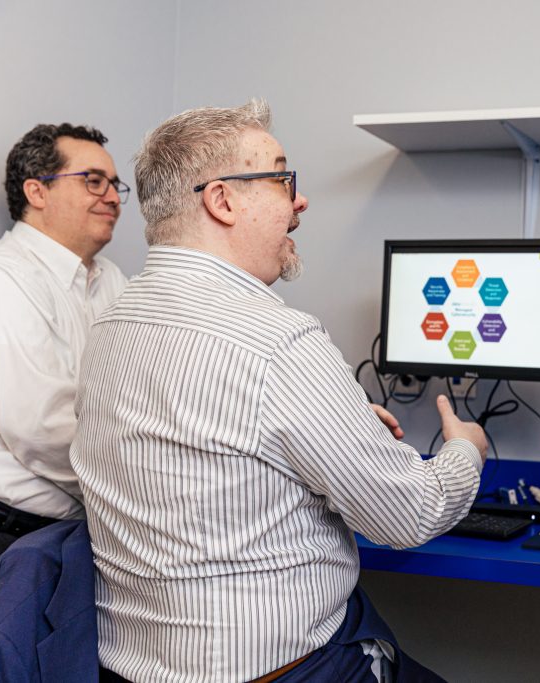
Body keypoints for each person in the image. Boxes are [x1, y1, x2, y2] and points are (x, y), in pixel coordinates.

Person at [70, 99, 488, 682]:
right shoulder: (278, 342)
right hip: (284, 669)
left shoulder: (111, 324)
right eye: (282, 178)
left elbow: (198, 445)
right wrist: (465, 449)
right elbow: (409, 516)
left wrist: (333, 425)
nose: (300, 201)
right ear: (222, 200)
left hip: (134, 667)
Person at [0, 123, 128, 637]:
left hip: (60, 539)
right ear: (37, 190)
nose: (112, 198)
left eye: (116, 185)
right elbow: (40, 427)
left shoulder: (112, 282)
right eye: (93, 180)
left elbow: (140, 393)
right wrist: (145, 491)